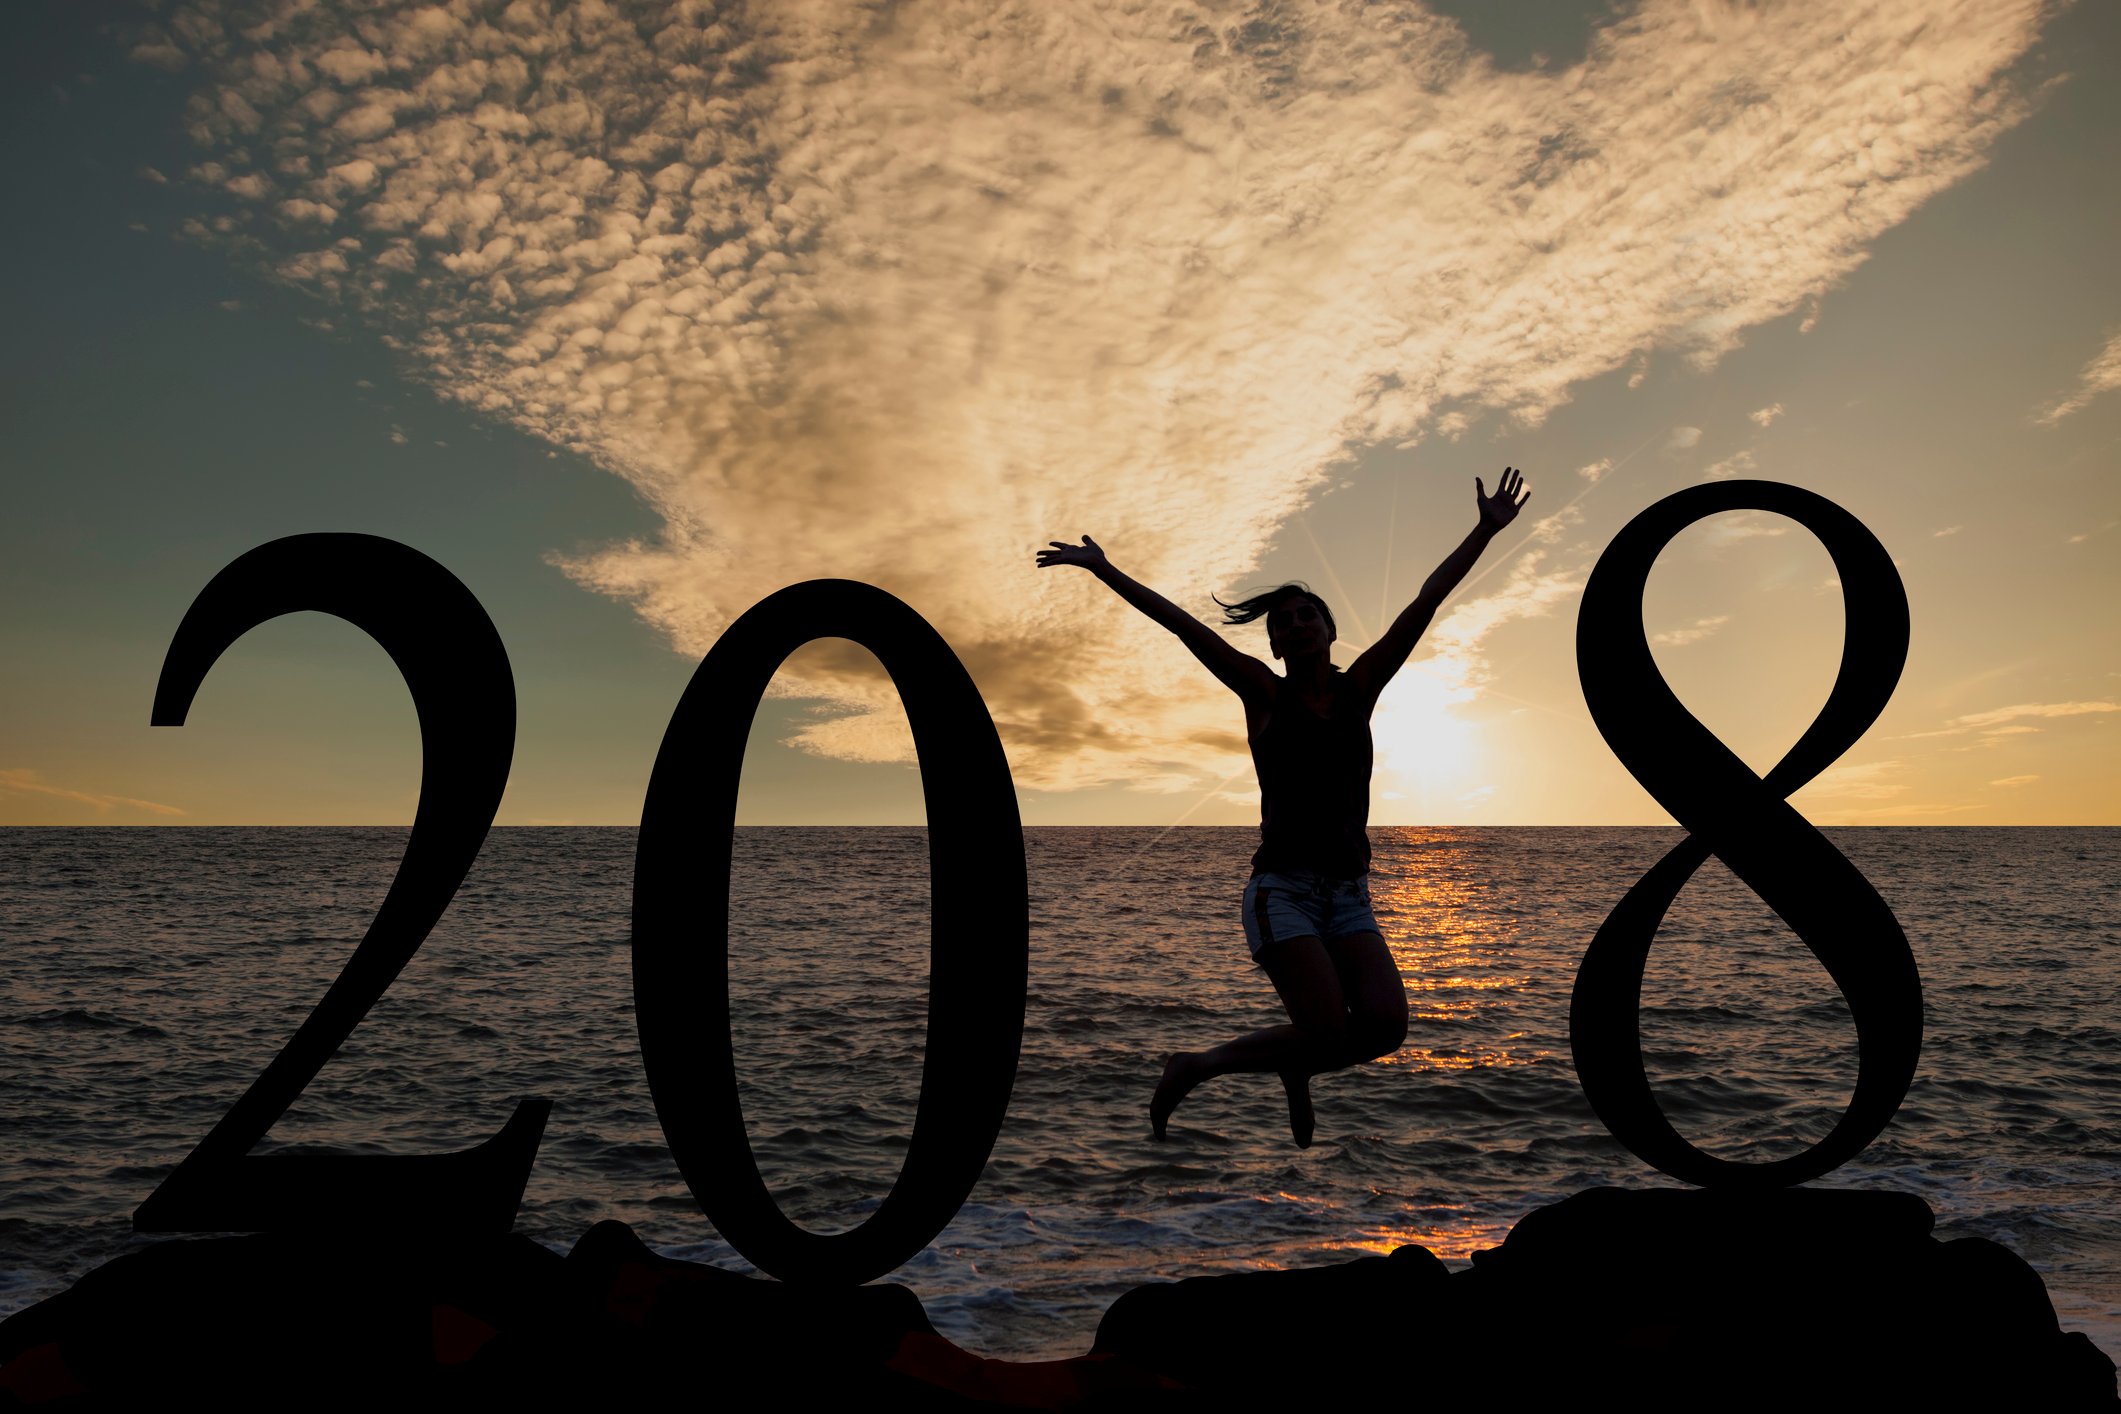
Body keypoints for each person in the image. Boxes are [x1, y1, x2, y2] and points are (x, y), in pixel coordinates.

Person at [1036, 467, 1530, 1146]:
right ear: (1272, 644)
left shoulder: (1359, 688)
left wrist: (1483, 529)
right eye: (1284, 623)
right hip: (1283, 892)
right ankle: (1196, 1065)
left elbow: (1426, 602)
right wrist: (1103, 569)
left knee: (1384, 1029)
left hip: (1349, 892)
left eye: (1307, 616)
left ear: (1330, 630)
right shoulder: (1263, 694)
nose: (1296, 625)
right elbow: (1182, 627)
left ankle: (1295, 1067)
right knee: (1325, 1030)